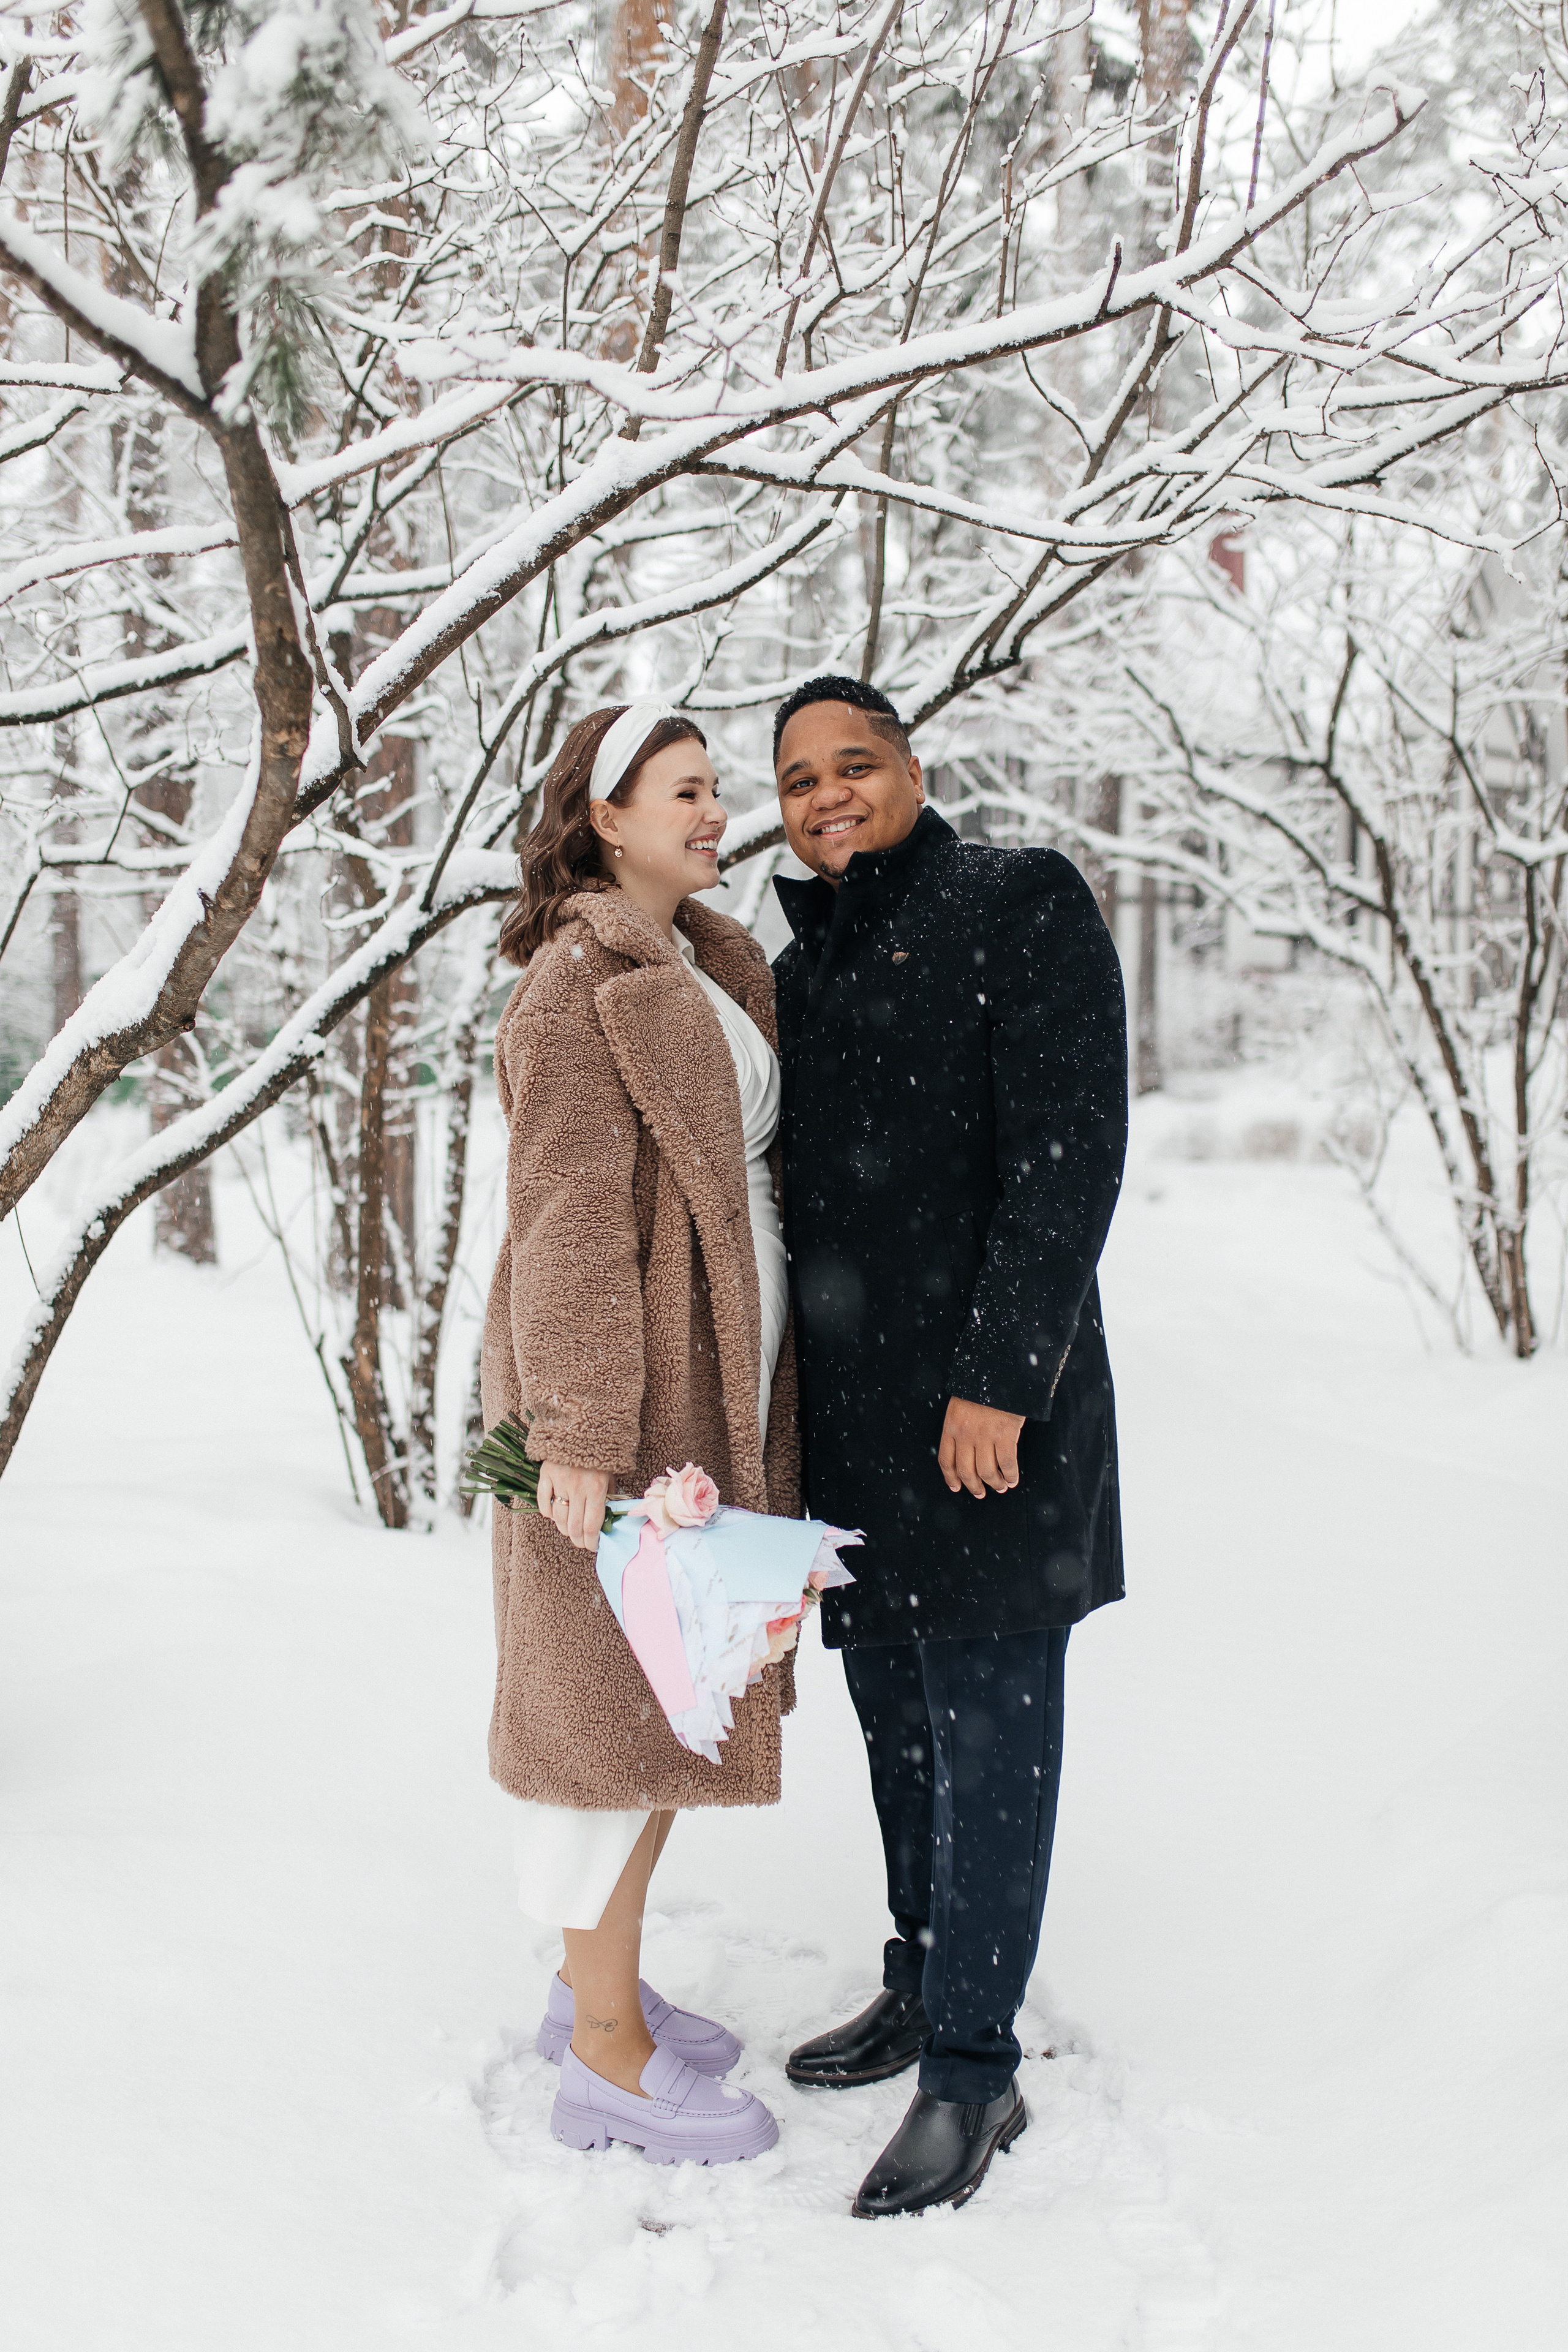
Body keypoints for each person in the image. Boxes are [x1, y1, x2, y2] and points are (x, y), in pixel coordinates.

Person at [770, 676, 1128, 2218]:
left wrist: (998, 1378)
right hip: (857, 1436)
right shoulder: (800, 964)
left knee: (989, 1742)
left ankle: (975, 2074)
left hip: (990, 1426)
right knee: (895, 1729)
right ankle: (921, 1980)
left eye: (853, 763)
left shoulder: (1016, 901)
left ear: (912, 771)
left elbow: (1069, 1150)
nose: (826, 795)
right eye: (797, 779)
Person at [480, 699, 797, 2168]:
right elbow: (563, 1220)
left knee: (673, 1703)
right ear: (604, 819)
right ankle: (605, 2060)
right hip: (627, 1398)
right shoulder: (574, 989)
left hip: (714, 1380)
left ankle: (585, 1993)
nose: (715, 809)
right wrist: (581, 1428)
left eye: (715, 786)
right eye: (683, 789)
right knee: (609, 1724)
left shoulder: (700, 964)